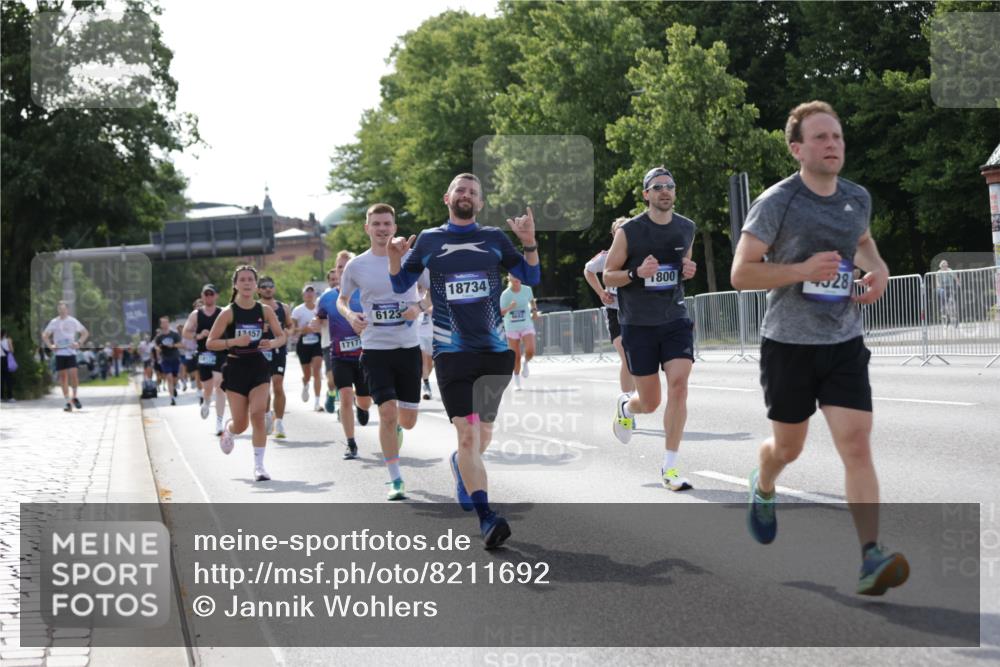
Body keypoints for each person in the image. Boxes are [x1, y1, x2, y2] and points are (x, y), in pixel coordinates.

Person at [730, 100, 908, 596]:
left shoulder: (857, 197)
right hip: (788, 343)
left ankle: (871, 555)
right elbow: (741, 273)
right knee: (788, 446)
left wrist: (880, 269)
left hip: (843, 338)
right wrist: (802, 271)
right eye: (822, 138)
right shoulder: (777, 202)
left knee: (855, 443)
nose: (833, 145)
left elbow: (864, 241)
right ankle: (763, 484)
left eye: (838, 137)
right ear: (797, 148)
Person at [389, 173, 540, 549]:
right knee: (468, 433)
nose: (467, 194)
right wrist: (395, 260)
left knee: (483, 435)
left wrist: (529, 243)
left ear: (481, 202)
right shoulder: (429, 240)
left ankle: (461, 465)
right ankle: (487, 517)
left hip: (493, 353)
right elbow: (399, 285)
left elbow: (531, 274)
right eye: (461, 189)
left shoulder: (493, 238)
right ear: (447, 197)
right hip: (451, 353)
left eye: (473, 191)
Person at [602, 166, 698, 492]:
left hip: (675, 319)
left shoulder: (687, 228)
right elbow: (608, 276)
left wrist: (688, 270)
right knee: (651, 402)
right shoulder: (629, 231)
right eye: (657, 187)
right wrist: (635, 273)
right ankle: (626, 407)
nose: (664, 191)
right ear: (646, 194)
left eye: (669, 186)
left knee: (680, 385)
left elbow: (682, 268)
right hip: (638, 324)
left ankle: (670, 467)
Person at [339, 203, 429, 501]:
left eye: (386, 223)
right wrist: (351, 316)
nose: (381, 229)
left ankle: (396, 431)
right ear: (367, 228)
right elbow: (342, 299)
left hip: (408, 348)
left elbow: (434, 293)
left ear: (394, 227)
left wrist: (417, 307)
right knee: (387, 412)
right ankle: (396, 479)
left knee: (407, 421)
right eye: (376, 223)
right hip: (375, 348)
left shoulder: (412, 259)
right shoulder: (356, 266)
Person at [207, 265, 286, 482]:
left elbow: (282, 336)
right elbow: (210, 343)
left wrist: (271, 342)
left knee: (258, 415)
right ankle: (230, 430)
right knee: (242, 424)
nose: (247, 283)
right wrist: (233, 342)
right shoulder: (228, 313)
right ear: (235, 284)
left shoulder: (265, 311)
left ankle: (259, 467)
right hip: (235, 368)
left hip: (258, 366)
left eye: (251, 279)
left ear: (256, 285)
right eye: (242, 280)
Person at [316, 253, 374, 459]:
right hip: (340, 356)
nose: (342, 271)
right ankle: (351, 444)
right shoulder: (327, 298)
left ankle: (363, 407)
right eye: (339, 267)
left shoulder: (367, 293)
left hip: (364, 355)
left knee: (365, 401)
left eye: (346, 266)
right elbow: (320, 319)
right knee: (346, 396)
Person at [584, 217, 636, 396]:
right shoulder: (606, 257)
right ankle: (626, 402)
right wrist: (600, 292)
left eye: (627, 229)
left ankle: (632, 399)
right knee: (626, 356)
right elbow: (588, 270)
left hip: (637, 312)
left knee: (635, 359)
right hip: (615, 311)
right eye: (619, 230)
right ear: (614, 235)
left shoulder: (639, 255)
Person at [183, 285, 227, 434]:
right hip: (204, 353)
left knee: (220, 386)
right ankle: (207, 401)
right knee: (207, 388)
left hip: (221, 352)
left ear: (216, 296)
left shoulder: (223, 312)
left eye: (211, 294)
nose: (208, 297)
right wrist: (198, 335)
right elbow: (186, 332)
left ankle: (219, 422)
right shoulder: (196, 314)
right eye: (206, 294)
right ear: (202, 296)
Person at [257, 275, 292, 438]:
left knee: (278, 385)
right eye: (264, 286)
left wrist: (287, 333)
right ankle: (267, 415)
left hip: (278, 350)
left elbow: (291, 326)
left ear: (274, 288)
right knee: (264, 388)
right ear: (258, 290)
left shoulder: (282, 307)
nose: (268, 289)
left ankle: (279, 422)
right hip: (261, 351)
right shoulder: (254, 308)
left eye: (270, 286)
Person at [41, 301, 89, 412]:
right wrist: (51, 346)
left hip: (71, 352)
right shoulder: (54, 322)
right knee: (63, 378)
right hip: (59, 353)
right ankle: (68, 402)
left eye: (63, 309)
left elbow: (85, 333)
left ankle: (75, 397)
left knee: (74, 375)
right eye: (59, 309)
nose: (62, 311)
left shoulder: (72, 321)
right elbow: (45, 335)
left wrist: (79, 343)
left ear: (67, 310)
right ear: (58, 310)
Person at [499, 275, 539, 390]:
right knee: (515, 357)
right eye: (513, 276)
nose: (516, 278)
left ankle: (526, 363)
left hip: (526, 324)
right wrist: (509, 307)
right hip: (512, 327)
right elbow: (501, 313)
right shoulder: (505, 294)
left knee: (531, 350)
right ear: (509, 278)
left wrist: (534, 311)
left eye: (518, 276)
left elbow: (532, 301)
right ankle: (517, 380)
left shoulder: (527, 289)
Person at [291, 285, 324, 412]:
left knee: (317, 370)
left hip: (317, 342)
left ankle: (317, 402)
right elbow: (292, 330)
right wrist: (303, 330)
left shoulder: (319, 308)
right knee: (307, 374)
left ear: (315, 295)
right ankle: (305, 383)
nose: (309, 295)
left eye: (312, 292)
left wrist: (317, 329)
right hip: (303, 343)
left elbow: (325, 325)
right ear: (303, 295)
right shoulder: (298, 310)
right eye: (307, 292)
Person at [319, 266, 340, 414]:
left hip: (350, 341)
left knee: (348, 380)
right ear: (328, 282)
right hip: (329, 343)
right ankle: (331, 394)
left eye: (336, 279)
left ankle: (344, 409)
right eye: (332, 280)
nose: (334, 282)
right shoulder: (325, 297)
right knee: (332, 380)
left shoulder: (350, 293)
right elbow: (319, 318)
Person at [154, 316, 182, 406]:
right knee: (169, 378)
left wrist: (173, 345)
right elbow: (156, 346)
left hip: (175, 358)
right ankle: (172, 398)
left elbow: (181, 344)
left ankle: (174, 388)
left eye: (166, 322)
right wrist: (159, 349)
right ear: (161, 325)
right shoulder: (159, 336)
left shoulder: (174, 334)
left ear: (168, 323)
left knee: (175, 378)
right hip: (165, 359)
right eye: (163, 323)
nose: (165, 324)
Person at [417, 285, 434, 400]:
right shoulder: (411, 293)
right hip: (419, 334)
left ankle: (424, 379)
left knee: (430, 363)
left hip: (432, 333)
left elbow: (434, 307)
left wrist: (428, 309)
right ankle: (426, 386)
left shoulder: (429, 293)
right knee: (423, 362)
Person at [937, 259, 961, 328]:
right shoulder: (938, 272)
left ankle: (956, 320)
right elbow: (937, 282)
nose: (945, 267)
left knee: (953, 305)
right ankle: (947, 318)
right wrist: (938, 286)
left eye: (946, 265)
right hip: (942, 288)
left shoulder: (949, 270)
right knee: (944, 306)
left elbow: (955, 277)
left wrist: (958, 283)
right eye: (943, 266)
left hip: (950, 287)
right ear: (941, 266)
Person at [1, 329, 15, 402]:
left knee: (1, 379)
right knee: (9, 378)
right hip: (6, 360)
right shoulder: (8, 340)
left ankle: (1, 397)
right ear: (5, 333)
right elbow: (12, 350)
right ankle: (10, 397)